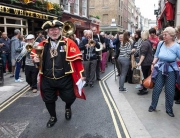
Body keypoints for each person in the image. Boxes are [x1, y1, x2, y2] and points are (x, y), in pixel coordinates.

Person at [33, 20, 86, 128]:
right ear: (48, 32)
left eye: (56, 29)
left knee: (70, 97)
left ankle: (67, 107)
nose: (54, 32)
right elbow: (35, 59)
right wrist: (36, 60)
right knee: (48, 100)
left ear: (60, 30)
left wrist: (82, 74)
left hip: (64, 78)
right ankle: (53, 116)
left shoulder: (68, 43)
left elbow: (77, 60)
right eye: (51, 30)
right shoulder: (42, 44)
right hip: (47, 79)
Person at [149, 27, 180, 117]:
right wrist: (153, 63)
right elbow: (157, 55)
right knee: (157, 88)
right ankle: (153, 105)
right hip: (160, 69)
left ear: (171, 36)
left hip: (171, 71)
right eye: (163, 34)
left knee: (169, 91)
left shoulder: (177, 47)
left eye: (165, 34)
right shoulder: (161, 44)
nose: (163, 36)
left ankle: (169, 109)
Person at [137, 30, 153, 95]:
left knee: (144, 76)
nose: (141, 36)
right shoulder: (148, 42)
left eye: (141, 34)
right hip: (148, 61)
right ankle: (144, 88)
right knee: (145, 75)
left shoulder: (145, 43)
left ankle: (144, 89)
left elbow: (143, 54)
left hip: (146, 62)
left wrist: (140, 62)